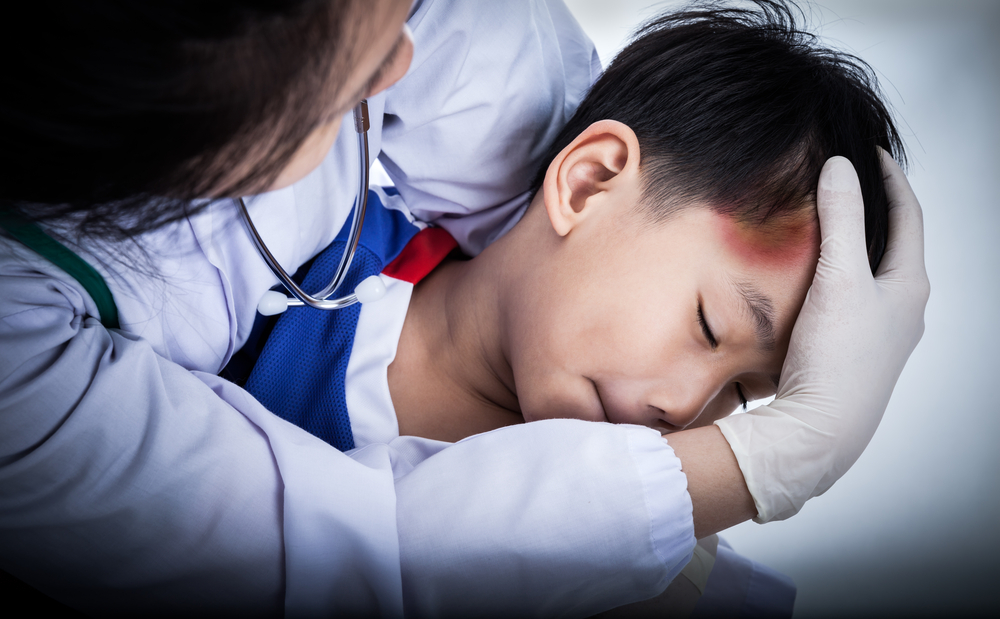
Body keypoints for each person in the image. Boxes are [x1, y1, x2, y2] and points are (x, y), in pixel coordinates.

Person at [0, 1, 929, 617]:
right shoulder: (279, 271)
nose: (689, 409)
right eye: (711, 326)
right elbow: (354, 554)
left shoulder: (658, 574)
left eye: (745, 397)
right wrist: (776, 458)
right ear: (593, 175)